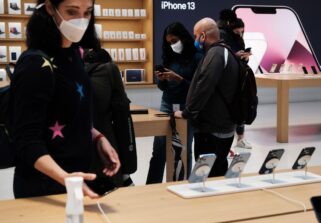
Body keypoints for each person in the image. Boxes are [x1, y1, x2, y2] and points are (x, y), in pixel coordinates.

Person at [8, 0, 120, 199]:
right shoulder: (35, 64)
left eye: (87, 13)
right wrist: (65, 178)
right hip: (43, 189)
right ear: (51, 7)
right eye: (71, 12)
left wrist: (97, 138)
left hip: (75, 182)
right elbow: (26, 140)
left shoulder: (73, 55)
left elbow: (69, 114)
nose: (81, 21)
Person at [174, 18, 240, 177]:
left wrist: (187, 112)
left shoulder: (215, 54)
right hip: (223, 126)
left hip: (212, 129)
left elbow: (204, 86)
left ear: (203, 36)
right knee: (218, 171)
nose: (195, 40)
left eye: (196, 36)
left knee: (205, 175)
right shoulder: (225, 51)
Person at [146, 22, 202, 184]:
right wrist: (162, 80)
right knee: (159, 150)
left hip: (186, 107)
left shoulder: (197, 57)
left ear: (183, 37)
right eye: (169, 42)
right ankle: (151, 185)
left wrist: (179, 79)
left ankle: (184, 184)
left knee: (184, 149)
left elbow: (199, 87)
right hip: (167, 105)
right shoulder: (169, 56)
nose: (172, 45)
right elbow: (163, 87)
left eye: (174, 40)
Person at [84, 48, 137, 187]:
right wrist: (128, 169)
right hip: (105, 143)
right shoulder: (110, 70)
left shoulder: (74, 71)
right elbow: (122, 117)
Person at [218, 10, 252, 150]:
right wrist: (235, 56)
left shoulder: (238, 38)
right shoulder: (223, 35)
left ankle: (240, 138)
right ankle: (227, 139)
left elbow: (242, 55)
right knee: (229, 107)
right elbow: (224, 55)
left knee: (241, 105)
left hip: (240, 74)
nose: (239, 34)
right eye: (237, 31)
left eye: (241, 32)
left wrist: (245, 56)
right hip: (228, 76)